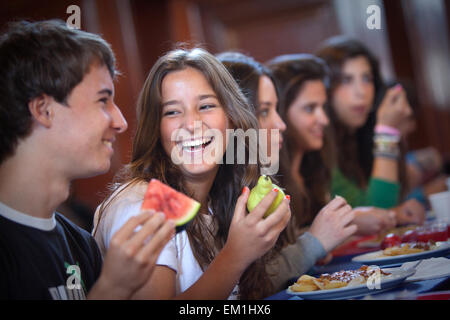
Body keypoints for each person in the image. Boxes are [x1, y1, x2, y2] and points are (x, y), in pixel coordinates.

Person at [93, 47, 291, 300]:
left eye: (206, 106)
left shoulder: (219, 200)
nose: (191, 124)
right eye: (173, 111)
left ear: (232, 118)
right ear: (156, 129)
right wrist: (236, 255)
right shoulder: (147, 202)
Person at [0, 20, 175, 300]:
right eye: (103, 100)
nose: (121, 122)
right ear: (44, 110)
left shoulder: (81, 244)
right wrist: (113, 289)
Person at [216, 52, 356, 284]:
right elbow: (250, 285)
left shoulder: (258, 179)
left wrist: (317, 238)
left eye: (276, 110)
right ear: (233, 117)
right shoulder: (223, 195)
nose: (281, 124)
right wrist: (313, 243)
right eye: (263, 111)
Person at [266, 53, 399, 237]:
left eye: (323, 107)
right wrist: (388, 131)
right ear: (281, 112)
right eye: (310, 108)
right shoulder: (266, 178)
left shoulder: (317, 161)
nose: (324, 119)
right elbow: (277, 252)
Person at [315, 36, 426, 226]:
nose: (361, 91)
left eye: (367, 78)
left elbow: (390, 204)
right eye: (346, 80)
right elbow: (377, 211)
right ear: (324, 89)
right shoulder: (317, 142)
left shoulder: (360, 134)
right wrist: (387, 132)